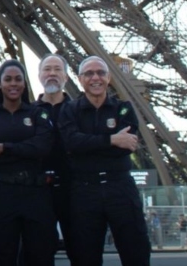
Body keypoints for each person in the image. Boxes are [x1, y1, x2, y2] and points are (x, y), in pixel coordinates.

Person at [59, 55, 150, 266]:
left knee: (136, 252)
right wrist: (112, 139)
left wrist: (88, 144)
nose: (95, 78)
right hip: (85, 190)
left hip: (119, 187)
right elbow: (71, 144)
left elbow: (127, 146)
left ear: (109, 78)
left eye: (100, 73)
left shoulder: (124, 108)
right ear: (80, 79)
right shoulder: (69, 109)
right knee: (84, 256)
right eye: (89, 73)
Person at [0, 59, 55, 266]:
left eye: (18, 79)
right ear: (0, 84)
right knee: (0, 255)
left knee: (40, 255)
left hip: (35, 192)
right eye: (8, 79)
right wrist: (26, 148)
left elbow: (43, 147)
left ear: (24, 84)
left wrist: (3, 148)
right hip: (2, 192)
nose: (13, 84)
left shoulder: (38, 112)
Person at [34, 53, 76, 261]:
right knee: (40, 251)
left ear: (66, 77)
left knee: (81, 249)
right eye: (47, 69)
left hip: (74, 188)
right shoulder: (29, 112)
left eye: (57, 69)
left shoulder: (78, 111)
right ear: (39, 75)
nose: (52, 73)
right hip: (39, 190)